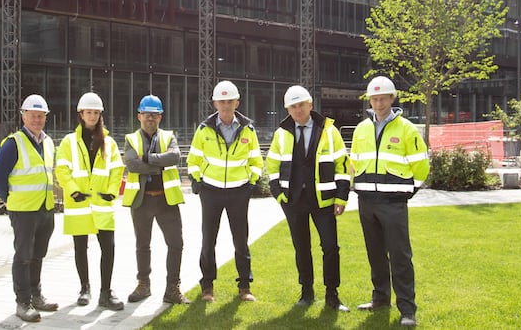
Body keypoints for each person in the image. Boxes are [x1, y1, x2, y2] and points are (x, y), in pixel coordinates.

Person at [351, 76, 431, 328]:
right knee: (375, 254)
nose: (378, 103)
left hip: (393, 203)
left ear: (392, 98)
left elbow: (421, 165)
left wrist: (407, 193)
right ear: (369, 100)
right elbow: (353, 162)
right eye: (374, 99)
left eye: (383, 98)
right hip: (366, 201)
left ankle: (407, 309)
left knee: (400, 256)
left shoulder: (407, 129)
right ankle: (380, 299)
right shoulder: (361, 129)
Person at [265, 85, 351, 312]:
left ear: (310, 104)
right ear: (288, 110)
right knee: (301, 248)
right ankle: (306, 292)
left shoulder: (329, 131)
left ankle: (332, 295)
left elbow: (342, 165)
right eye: (293, 106)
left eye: (301, 104)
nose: (298, 109)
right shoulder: (281, 133)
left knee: (330, 247)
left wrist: (341, 197)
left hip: (324, 200)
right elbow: (272, 165)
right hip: (293, 201)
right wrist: (278, 194)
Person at [186, 79, 263, 303]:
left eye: (230, 101)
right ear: (215, 104)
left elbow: (256, 160)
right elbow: (193, 159)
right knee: (208, 239)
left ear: (237, 103)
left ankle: (245, 287)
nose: (226, 105)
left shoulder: (248, 129)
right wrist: (197, 180)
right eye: (222, 101)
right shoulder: (204, 129)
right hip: (210, 191)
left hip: (239, 192)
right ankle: (207, 287)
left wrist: (251, 183)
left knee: (241, 240)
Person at [0, 94, 59, 324]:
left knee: (38, 254)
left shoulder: (48, 142)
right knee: (23, 256)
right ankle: (23, 302)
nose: (37, 120)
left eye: (41, 116)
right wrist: (11, 201)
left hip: (45, 208)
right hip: (23, 211)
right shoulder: (13, 143)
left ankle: (36, 295)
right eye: (33, 116)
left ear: (45, 117)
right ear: (24, 117)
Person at [55, 92, 126, 311]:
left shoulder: (109, 143)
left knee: (109, 248)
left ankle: (106, 293)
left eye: (96, 112)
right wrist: (73, 190)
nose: (92, 116)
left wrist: (112, 192)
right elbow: (62, 170)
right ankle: (84, 288)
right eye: (89, 112)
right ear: (81, 114)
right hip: (79, 204)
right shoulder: (68, 142)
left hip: (102, 203)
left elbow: (117, 170)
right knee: (80, 247)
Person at [121, 94, 189, 305]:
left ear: (160, 117)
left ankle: (172, 288)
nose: (150, 118)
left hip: (166, 200)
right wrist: (159, 165)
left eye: (154, 114)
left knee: (176, 243)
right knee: (142, 245)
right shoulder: (131, 139)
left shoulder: (169, 137)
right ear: (139, 116)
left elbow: (175, 157)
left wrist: (147, 158)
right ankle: (143, 284)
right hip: (142, 201)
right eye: (147, 114)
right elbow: (132, 164)